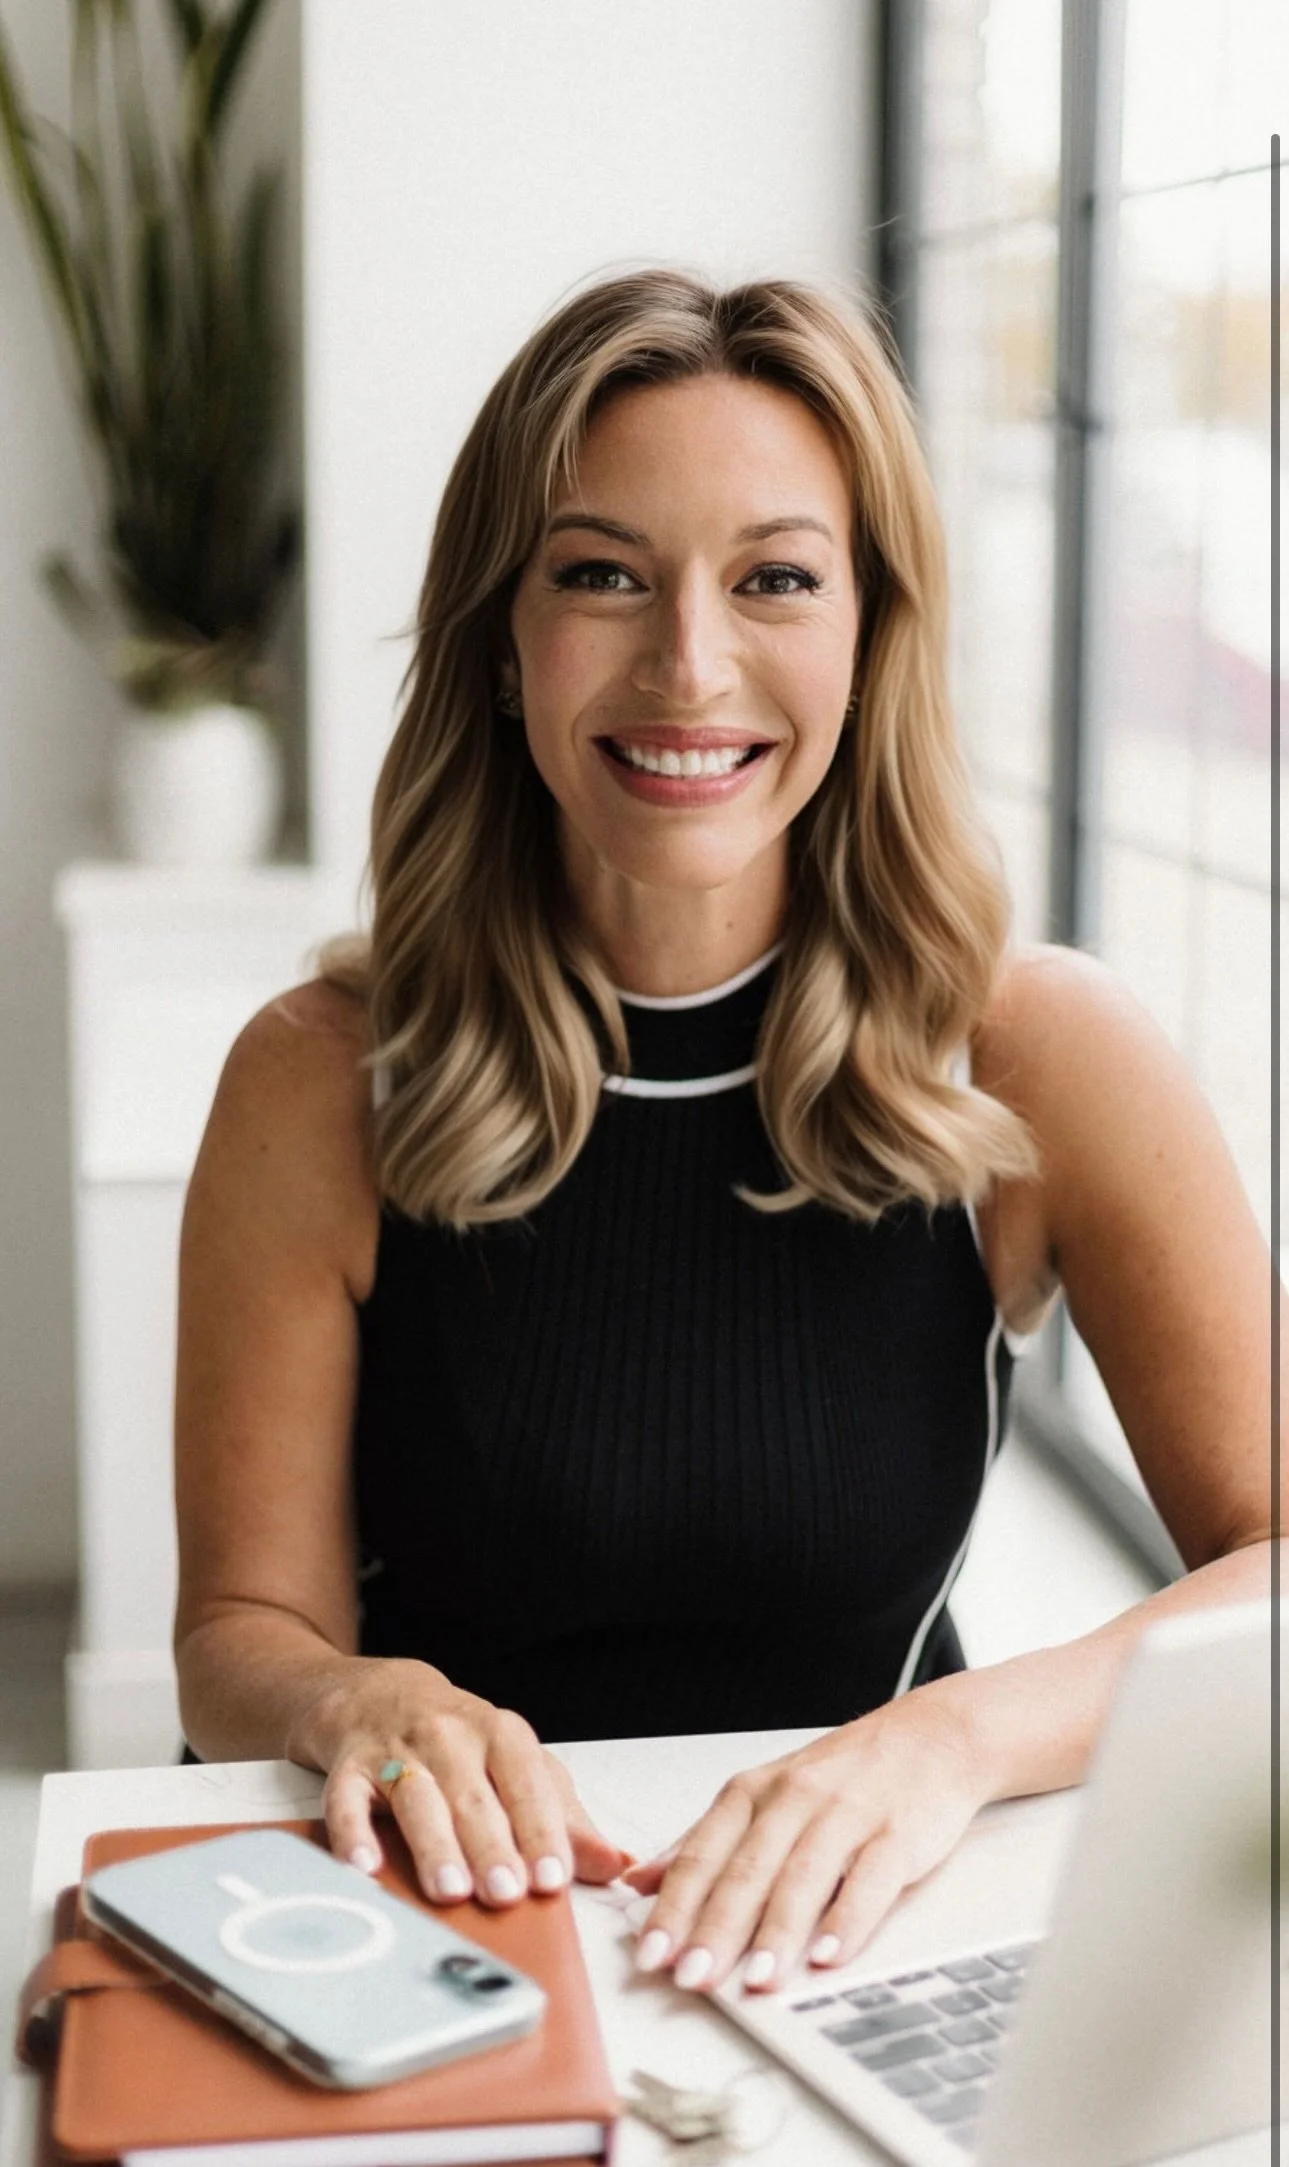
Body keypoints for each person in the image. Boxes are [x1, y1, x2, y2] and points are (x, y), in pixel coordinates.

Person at [174, 269, 1275, 2001]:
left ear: (869, 629)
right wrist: (346, 1698)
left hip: (846, 1936)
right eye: (602, 575)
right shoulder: (318, 1080)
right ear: (501, 635)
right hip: (430, 1944)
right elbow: (239, 1634)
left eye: (775, 577)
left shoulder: (1037, 1053)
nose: (689, 664)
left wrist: (947, 1742)